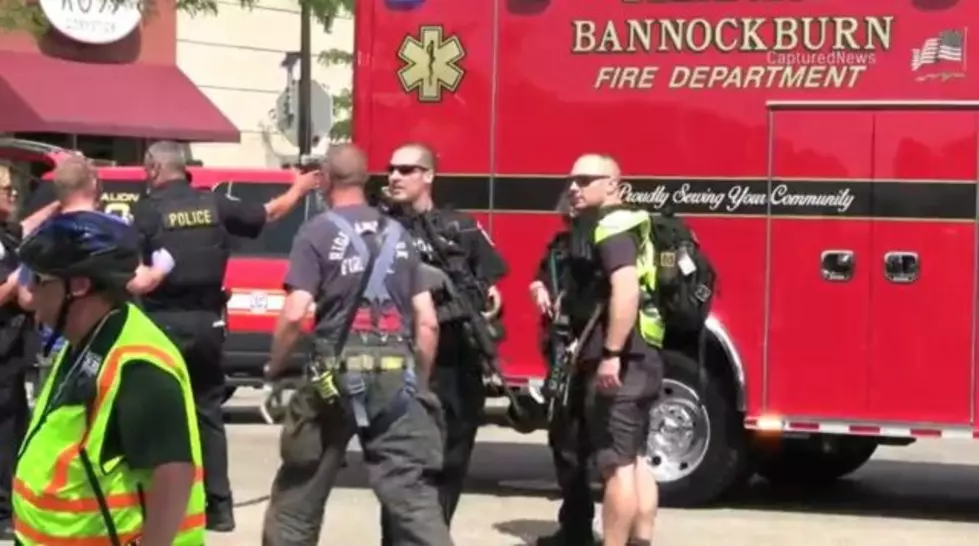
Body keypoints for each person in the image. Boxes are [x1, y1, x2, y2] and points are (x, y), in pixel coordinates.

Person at [261, 144, 452, 546]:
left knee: (300, 488)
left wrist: (275, 368)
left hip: (333, 378)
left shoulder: (317, 231)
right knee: (412, 497)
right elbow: (428, 322)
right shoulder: (399, 234)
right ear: (366, 181)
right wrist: (417, 379)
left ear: (325, 181)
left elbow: (296, 314)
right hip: (395, 376)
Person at [129, 140, 318, 532]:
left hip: (162, 325)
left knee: (157, 415)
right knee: (208, 414)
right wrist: (299, 189)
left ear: (153, 169)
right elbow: (268, 214)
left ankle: (162, 506)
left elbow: (132, 272)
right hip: (208, 325)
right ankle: (220, 508)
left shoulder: (145, 212)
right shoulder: (214, 204)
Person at [11, 211, 205, 545]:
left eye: (41, 281)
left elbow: (174, 473)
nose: (29, 292)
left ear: (80, 286)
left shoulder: (138, 367)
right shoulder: (84, 342)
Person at [536, 154, 663, 546]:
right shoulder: (630, 224)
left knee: (617, 467)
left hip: (622, 363)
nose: (574, 186)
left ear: (612, 184)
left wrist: (611, 354)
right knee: (636, 459)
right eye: (571, 179)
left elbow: (625, 289)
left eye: (585, 179)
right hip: (645, 359)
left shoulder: (611, 227)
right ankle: (640, 541)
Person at [382, 143, 508, 537]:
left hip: (458, 362)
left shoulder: (460, 226)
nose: (395, 177)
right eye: (391, 169)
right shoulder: (383, 228)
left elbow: (490, 282)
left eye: (406, 169)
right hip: (404, 359)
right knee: (402, 466)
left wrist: (489, 302)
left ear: (429, 175)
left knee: (451, 463)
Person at [0, 166, 59, 540]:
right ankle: (4, 511)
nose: (13, 194)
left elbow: (25, 229)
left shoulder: (6, 235)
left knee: (13, 430)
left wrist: (59, 206)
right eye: (6, 189)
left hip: (13, 353)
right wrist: (16, 280)